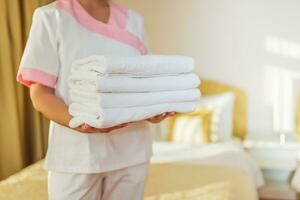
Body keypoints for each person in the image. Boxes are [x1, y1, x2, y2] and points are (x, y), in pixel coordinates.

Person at [16, 0, 174, 199]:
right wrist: (80, 123)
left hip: (132, 151)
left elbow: (141, 84)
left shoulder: (134, 20)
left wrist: (152, 111)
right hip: (77, 153)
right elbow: (40, 94)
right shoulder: (51, 17)